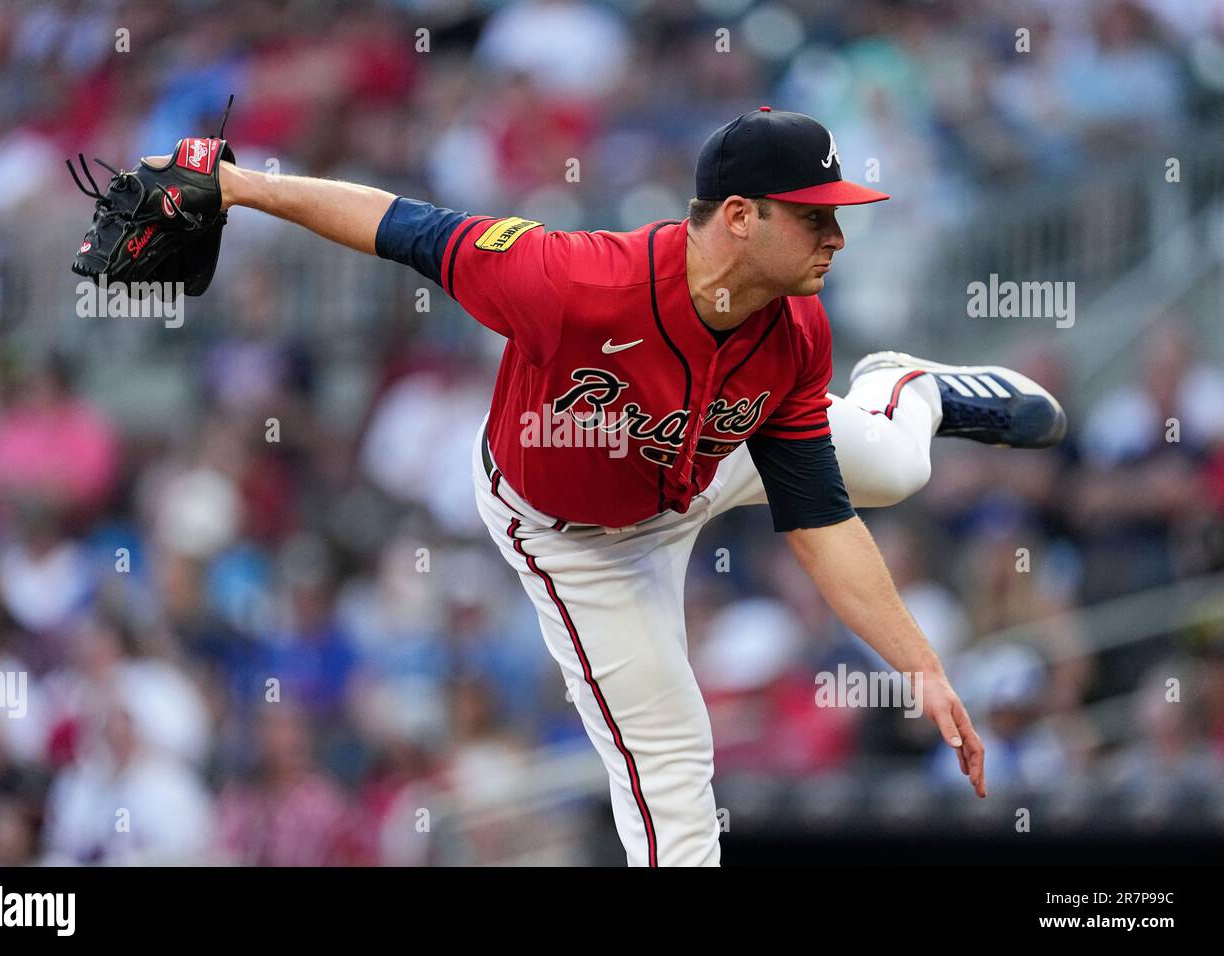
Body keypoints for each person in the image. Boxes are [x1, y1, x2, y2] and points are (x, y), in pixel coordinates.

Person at [210, 107, 1067, 866]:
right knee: (671, 765)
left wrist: (919, 664)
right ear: (740, 217)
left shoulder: (794, 326)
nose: (836, 238)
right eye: (815, 219)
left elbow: (818, 521)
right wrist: (239, 186)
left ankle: (907, 386)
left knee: (897, 466)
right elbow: (401, 225)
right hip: (574, 534)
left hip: (711, 456)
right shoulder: (572, 281)